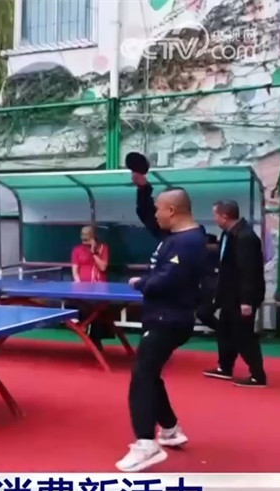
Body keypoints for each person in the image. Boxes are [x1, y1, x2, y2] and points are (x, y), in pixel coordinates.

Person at [123, 152, 207, 472]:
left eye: (160, 209)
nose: (155, 214)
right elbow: (147, 214)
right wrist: (143, 187)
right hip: (162, 317)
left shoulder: (188, 243)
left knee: (141, 376)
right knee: (150, 372)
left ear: (172, 211)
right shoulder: (173, 234)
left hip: (168, 320)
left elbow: (166, 280)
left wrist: (140, 282)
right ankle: (170, 429)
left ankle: (146, 443)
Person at [203, 200, 267, 387]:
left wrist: (246, 301)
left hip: (242, 296)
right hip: (229, 294)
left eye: (215, 215)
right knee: (224, 331)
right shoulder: (228, 235)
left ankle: (258, 376)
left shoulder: (245, 237)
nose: (214, 219)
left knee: (243, 335)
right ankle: (225, 367)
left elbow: (248, 271)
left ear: (225, 216)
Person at [71, 226, 111, 349]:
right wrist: (78, 283)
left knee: (98, 312)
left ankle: (95, 340)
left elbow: (103, 267)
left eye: (87, 234)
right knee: (80, 306)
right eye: (82, 234)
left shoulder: (103, 248)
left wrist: (94, 252)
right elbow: (75, 269)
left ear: (93, 236)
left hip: (99, 287)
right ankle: (83, 325)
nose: (84, 237)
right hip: (83, 288)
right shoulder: (77, 250)